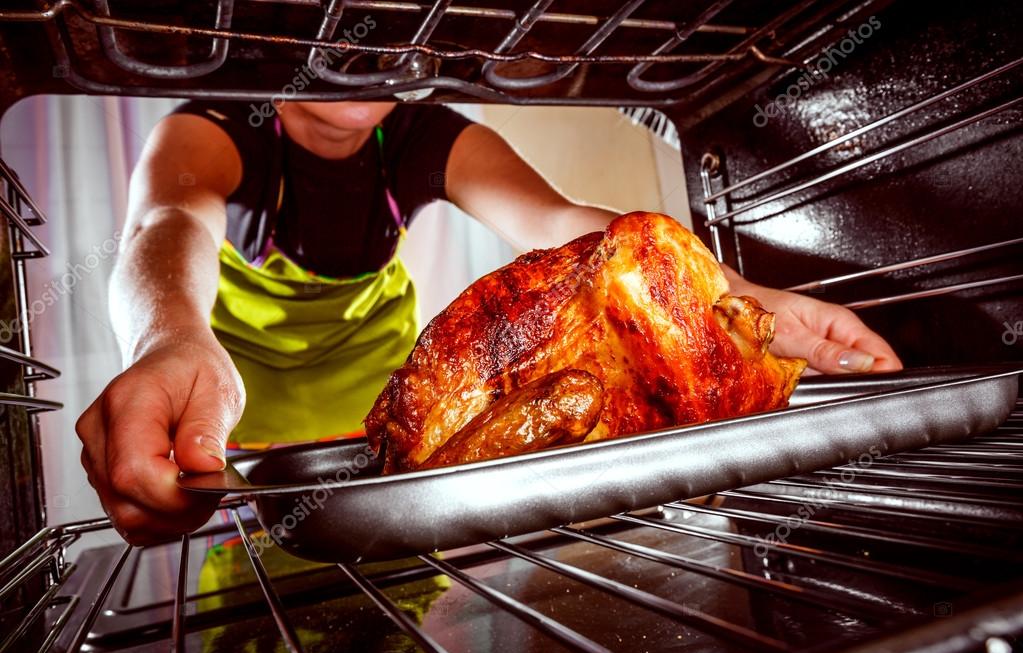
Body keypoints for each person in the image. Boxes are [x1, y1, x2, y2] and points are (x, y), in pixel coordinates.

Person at [76, 101, 902, 546]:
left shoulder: (424, 132)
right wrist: (170, 339)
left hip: (389, 402)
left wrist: (744, 304)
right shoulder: (216, 127)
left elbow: (566, 224)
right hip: (239, 415)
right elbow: (165, 227)